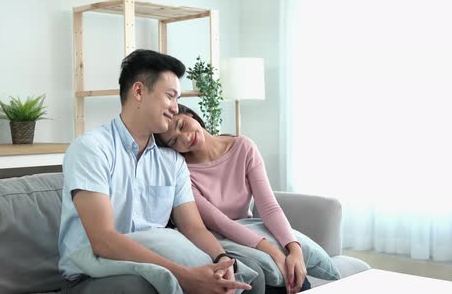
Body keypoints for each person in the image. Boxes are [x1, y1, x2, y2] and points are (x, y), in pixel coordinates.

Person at [58, 49, 252, 294]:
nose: (175, 107)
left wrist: (221, 259)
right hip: (91, 276)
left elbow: (193, 227)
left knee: (237, 278)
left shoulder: (172, 161)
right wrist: (184, 276)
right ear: (138, 91)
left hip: (154, 264)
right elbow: (103, 240)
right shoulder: (91, 149)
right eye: (170, 96)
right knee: (143, 287)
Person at [154, 104, 312, 294]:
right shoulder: (183, 172)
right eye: (174, 141)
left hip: (249, 230)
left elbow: (269, 208)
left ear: (190, 114)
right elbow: (220, 223)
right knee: (270, 283)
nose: (186, 138)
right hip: (215, 240)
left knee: (302, 283)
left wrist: (294, 250)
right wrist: (274, 253)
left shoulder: (243, 147)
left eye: (181, 125)